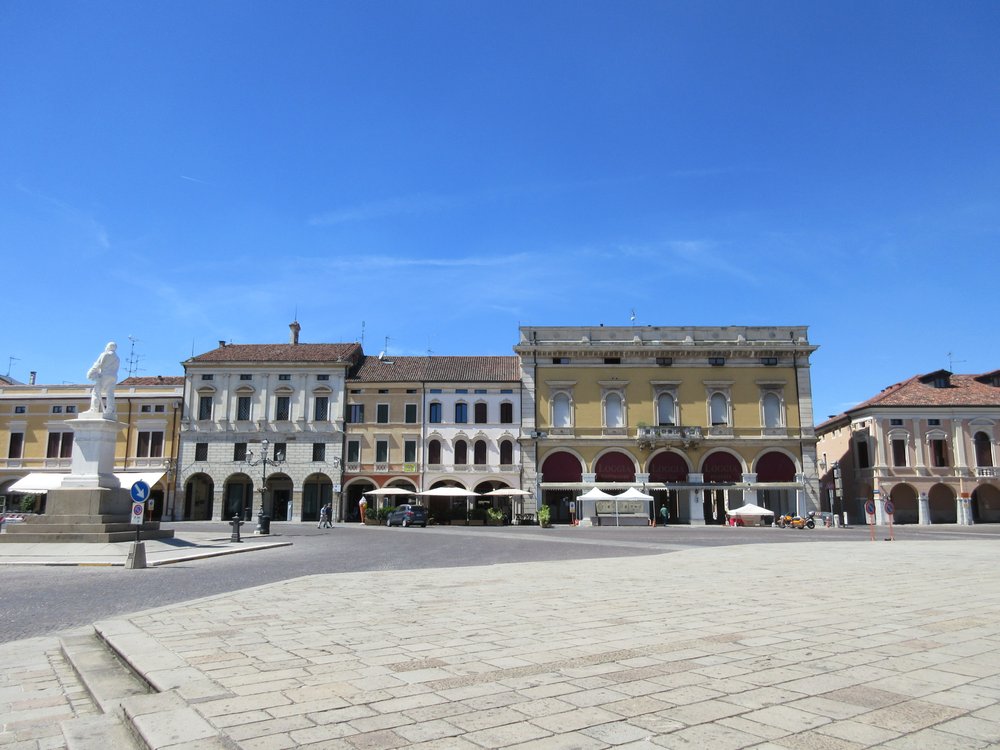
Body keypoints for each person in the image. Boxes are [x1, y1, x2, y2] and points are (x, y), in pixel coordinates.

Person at [86, 342, 120, 416]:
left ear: (108, 347)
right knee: (110, 393)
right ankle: (109, 410)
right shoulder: (117, 358)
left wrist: (89, 373)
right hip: (113, 376)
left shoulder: (105, 354)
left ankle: (93, 410)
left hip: (104, 375)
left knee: (96, 392)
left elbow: (97, 365)